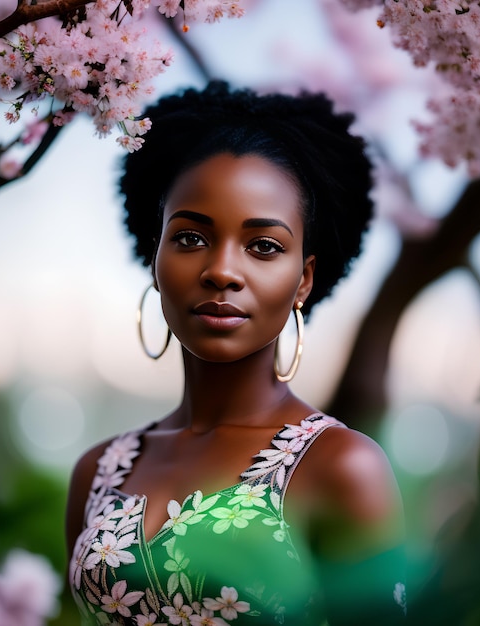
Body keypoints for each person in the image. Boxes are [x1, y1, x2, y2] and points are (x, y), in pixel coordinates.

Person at [66, 81, 407, 625]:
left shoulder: (342, 467)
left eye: (264, 246)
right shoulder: (96, 472)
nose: (221, 270)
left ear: (304, 280)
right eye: (190, 238)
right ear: (155, 254)